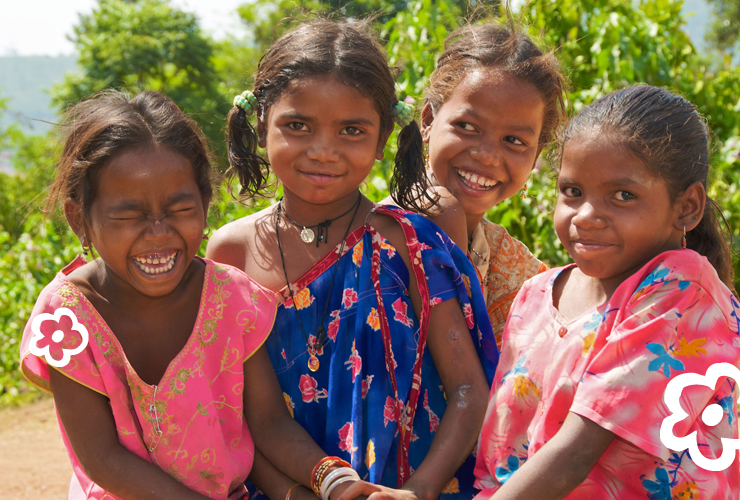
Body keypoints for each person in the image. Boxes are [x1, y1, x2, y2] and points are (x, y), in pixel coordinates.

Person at [20, 90, 375, 500]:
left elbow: (268, 423)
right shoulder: (66, 317)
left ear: (204, 204)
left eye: (179, 210)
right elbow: (102, 458)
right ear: (78, 218)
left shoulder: (230, 298)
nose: (158, 233)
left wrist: (334, 482)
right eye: (128, 214)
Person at [207, 19, 498, 500]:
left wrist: (418, 491)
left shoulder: (408, 244)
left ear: (383, 139)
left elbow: (468, 389)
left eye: (351, 130)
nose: (323, 151)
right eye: (297, 126)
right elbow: (242, 415)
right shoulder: (231, 253)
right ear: (260, 125)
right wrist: (302, 493)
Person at [473, 85, 740, 499]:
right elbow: (500, 458)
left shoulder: (683, 289)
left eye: (623, 196)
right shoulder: (534, 295)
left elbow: (577, 451)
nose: (586, 216)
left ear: (687, 207)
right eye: (572, 191)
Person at [418, 24, 568, 348]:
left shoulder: (522, 276)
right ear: (428, 121)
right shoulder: (372, 238)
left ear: (535, 155)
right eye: (467, 126)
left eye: (513, 140)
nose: (487, 156)